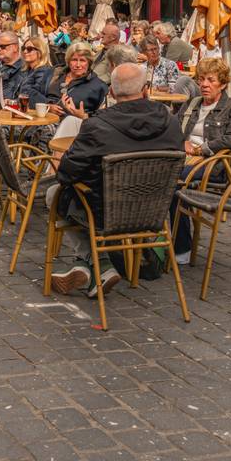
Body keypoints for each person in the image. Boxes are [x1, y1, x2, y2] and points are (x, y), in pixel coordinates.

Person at [48, 63, 185, 296]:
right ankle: (95, 265)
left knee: (54, 193)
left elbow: (68, 173)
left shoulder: (97, 125)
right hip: (155, 210)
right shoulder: (170, 121)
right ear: (145, 90)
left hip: (106, 212)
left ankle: (96, 261)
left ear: (110, 92)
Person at [174, 58, 231, 260]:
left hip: (214, 164)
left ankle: (181, 247)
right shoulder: (193, 103)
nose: (204, 85)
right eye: (201, 79)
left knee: (173, 182)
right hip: (183, 157)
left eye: (211, 80)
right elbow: (173, 128)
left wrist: (201, 149)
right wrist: (182, 142)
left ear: (223, 83)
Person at [47, 42, 108, 121]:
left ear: (89, 63)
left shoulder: (98, 86)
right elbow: (42, 97)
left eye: (82, 60)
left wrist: (84, 116)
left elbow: (105, 115)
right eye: (74, 60)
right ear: (68, 62)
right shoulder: (57, 75)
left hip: (75, 128)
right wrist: (48, 107)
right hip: (46, 122)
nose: (78, 65)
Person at [19, 36, 55, 103]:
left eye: (29, 49)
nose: (25, 51)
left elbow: (35, 95)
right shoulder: (27, 70)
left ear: (40, 52)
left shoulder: (43, 71)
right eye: (23, 48)